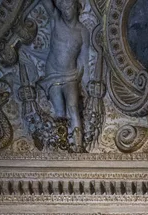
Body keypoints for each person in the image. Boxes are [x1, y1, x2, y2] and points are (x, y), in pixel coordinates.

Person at [40, 0, 91, 150]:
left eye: (70, 6)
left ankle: (78, 145)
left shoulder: (83, 32)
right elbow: (47, 4)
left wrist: (87, 83)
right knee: (60, 111)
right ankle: (61, 146)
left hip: (71, 76)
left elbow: (84, 60)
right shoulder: (56, 20)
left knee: (73, 107)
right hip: (53, 75)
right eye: (64, 7)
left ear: (76, 7)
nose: (67, 10)